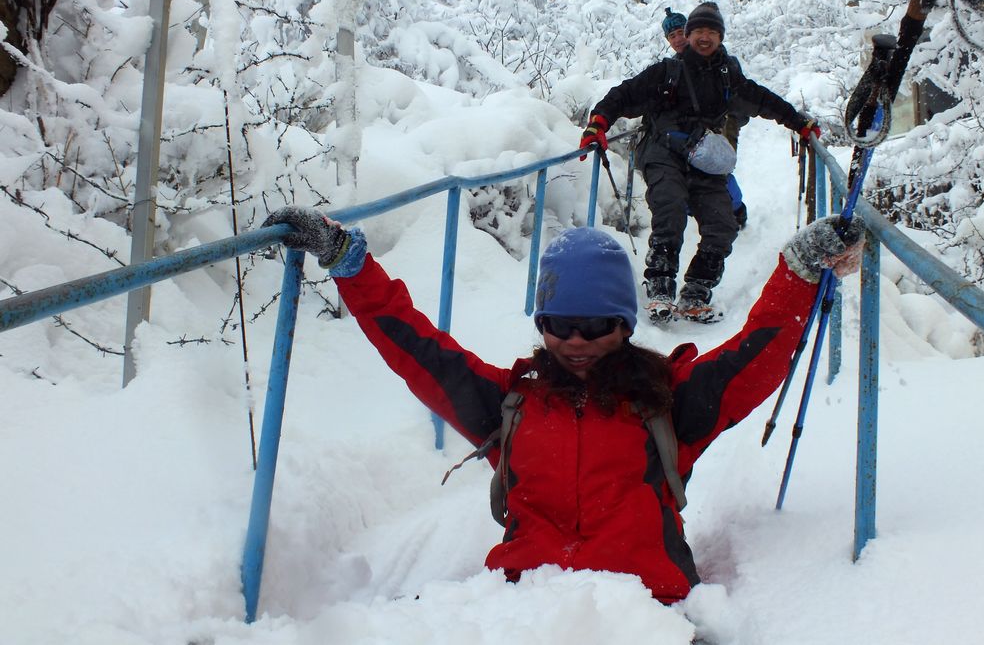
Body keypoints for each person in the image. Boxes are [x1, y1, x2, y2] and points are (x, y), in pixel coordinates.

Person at [261, 205, 865, 606]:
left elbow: (754, 354)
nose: (575, 342)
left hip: (643, 612)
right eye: (558, 324)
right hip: (526, 609)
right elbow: (417, 347)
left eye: (596, 324)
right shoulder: (511, 406)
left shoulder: (667, 404)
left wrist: (798, 272)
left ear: (625, 324)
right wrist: (349, 262)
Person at [579, 1, 821, 323]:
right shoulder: (666, 73)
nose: (704, 37)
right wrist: (598, 124)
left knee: (723, 222)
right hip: (662, 152)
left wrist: (799, 123)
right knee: (670, 207)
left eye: (711, 32)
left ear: (720, 37)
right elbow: (623, 95)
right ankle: (660, 285)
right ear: (689, 36)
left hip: (702, 156)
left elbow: (763, 101)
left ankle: (696, 292)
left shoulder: (728, 78)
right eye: (698, 32)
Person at [660, 7, 749, 231]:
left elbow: (742, 94)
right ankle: (710, 212)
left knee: (720, 169)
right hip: (695, 131)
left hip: (723, 124)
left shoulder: (721, 60)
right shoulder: (674, 65)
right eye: (672, 36)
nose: (678, 39)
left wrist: (732, 122)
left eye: (681, 32)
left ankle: (736, 211)